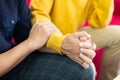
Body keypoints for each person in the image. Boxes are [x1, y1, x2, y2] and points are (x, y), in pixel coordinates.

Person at [0, 0, 96, 80]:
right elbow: (32, 40)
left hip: (15, 60)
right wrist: (30, 43)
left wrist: (63, 44)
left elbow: (29, 35)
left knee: (82, 67)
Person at [30, 0, 120, 80]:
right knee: (87, 68)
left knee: (118, 34)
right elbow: (38, 14)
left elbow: (98, 22)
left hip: (74, 32)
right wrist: (60, 40)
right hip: (49, 35)